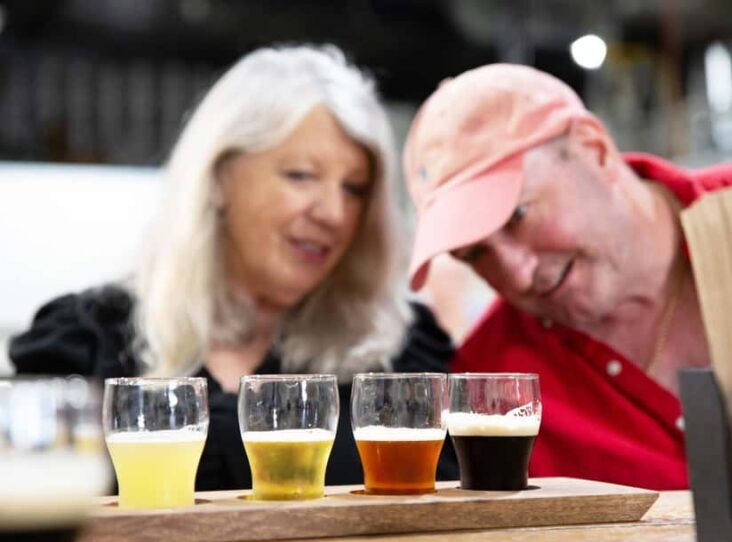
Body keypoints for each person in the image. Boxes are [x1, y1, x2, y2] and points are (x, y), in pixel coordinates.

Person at [10, 45, 459, 489]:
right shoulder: (88, 340)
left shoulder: (398, 353)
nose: (334, 213)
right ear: (219, 177)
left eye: (355, 189)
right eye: (301, 175)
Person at [402, 63, 732, 490]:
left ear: (594, 150)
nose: (516, 275)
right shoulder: (493, 382)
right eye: (476, 253)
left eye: (517, 216)